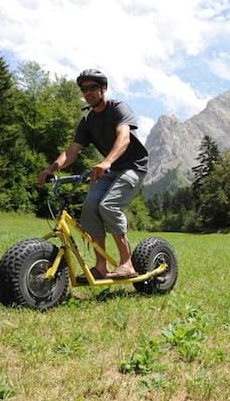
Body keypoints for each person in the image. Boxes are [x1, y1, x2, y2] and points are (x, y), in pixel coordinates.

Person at [38, 68, 148, 279]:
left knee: (108, 206)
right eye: (84, 89)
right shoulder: (87, 120)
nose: (88, 93)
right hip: (112, 169)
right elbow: (72, 151)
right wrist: (51, 169)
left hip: (133, 167)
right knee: (89, 207)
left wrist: (106, 161)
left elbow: (124, 137)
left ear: (103, 88)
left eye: (93, 88)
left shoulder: (118, 108)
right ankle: (100, 267)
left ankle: (127, 263)